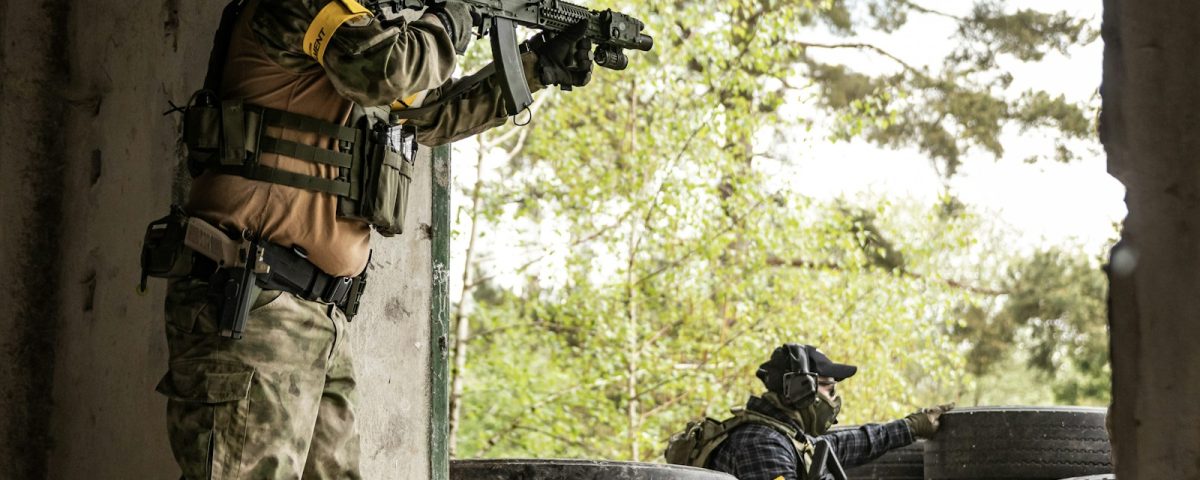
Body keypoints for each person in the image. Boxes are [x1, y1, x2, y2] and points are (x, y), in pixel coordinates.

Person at [151, 0, 595, 478]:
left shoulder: (355, 45)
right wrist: (450, 19)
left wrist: (536, 68)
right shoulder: (313, 14)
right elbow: (390, 70)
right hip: (254, 304)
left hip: (317, 317)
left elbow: (427, 115)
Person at [667, 343, 954, 480]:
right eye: (829, 388)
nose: (834, 398)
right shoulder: (762, 445)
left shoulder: (783, 435)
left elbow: (844, 444)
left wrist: (911, 426)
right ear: (801, 388)